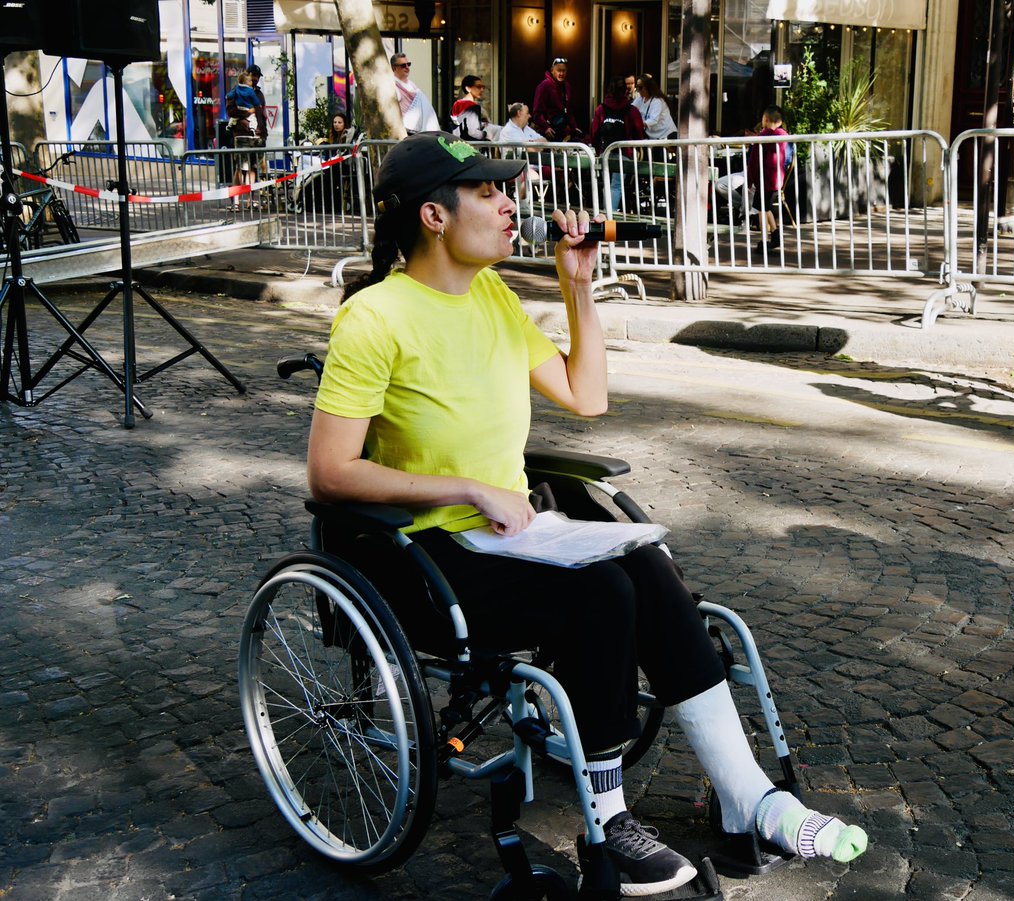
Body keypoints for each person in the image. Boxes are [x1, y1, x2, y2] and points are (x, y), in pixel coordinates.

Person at [306, 131, 869, 896]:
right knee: (601, 593)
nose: (511, 204)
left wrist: (578, 287)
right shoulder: (374, 317)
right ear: (434, 217)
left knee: (648, 566)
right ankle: (608, 825)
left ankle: (747, 797)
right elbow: (330, 471)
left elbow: (587, 398)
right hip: (425, 554)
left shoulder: (496, 299)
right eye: (488, 193)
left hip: (512, 535)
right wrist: (465, 487)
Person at [589, 75, 645, 212]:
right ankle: (611, 217)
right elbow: (639, 133)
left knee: (606, 185)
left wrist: (598, 150)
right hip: (624, 153)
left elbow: (594, 133)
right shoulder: (631, 110)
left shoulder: (601, 109)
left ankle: (603, 216)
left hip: (605, 151)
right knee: (616, 186)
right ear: (624, 91)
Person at [745, 105, 790, 252]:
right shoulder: (782, 135)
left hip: (765, 179)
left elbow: (753, 161)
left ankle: (763, 241)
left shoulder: (764, 137)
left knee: (760, 209)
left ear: (764, 119)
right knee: (765, 207)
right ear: (780, 121)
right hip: (774, 179)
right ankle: (775, 234)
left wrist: (750, 178)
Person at [225, 71, 265, 202]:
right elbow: (231, 110)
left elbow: (261, 111)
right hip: (241, 133)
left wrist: (262, 131)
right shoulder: (237, 90)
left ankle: (249, 199)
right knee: (240, 168)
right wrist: (247, 113)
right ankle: (236, 199)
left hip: (255, 134)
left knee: (252, 167)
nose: (255, 79)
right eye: (253, 77)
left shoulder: (258, 93)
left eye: (257, 77)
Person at [497, 102, 548, 203]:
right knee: (532, 176)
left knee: (559, 171)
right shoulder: (508, 131)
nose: (530, 116)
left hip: (533, 165)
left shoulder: (527, 128)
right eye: (527, 113)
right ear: (519, 113)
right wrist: (535, 145)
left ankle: (560, 204)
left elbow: (545, 141)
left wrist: (532, 144)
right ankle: (520, 204)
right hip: (514, 169)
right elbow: (533, 149)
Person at [531, 56, 583, 142]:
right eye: (559, 70)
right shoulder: (544, 86)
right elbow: (537, 113)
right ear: (552, 70)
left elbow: (569, 111)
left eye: (563, 70)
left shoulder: (567, 87)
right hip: (548, 132)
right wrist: (546, 127)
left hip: (563, 131)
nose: (561, 73)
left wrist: (574, 127)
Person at [392, 52, 441, 133]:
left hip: (419, 131)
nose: (407, 67)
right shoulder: (393, 86)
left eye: (408, 64)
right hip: (406, 131)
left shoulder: (412, 84)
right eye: (403, 65)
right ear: (394, 68)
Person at [450, 75, 499, 141]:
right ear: (468, 88)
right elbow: (472, 132)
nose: (482, 90)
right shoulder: (473, 107)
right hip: (469, 146)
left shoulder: (456, 104)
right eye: (478, 87)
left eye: (483, 87)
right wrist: (486, 134)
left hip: (455, 144)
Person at [632, 73, 678, 141]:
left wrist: (638, 124)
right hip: (653, 137)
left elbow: (653, 120)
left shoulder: (657, 101)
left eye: (640, 87)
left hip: (665, 135)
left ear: (647, 88)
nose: (638, 90)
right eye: (637, 87)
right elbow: (631, 109)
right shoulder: (640, 99)